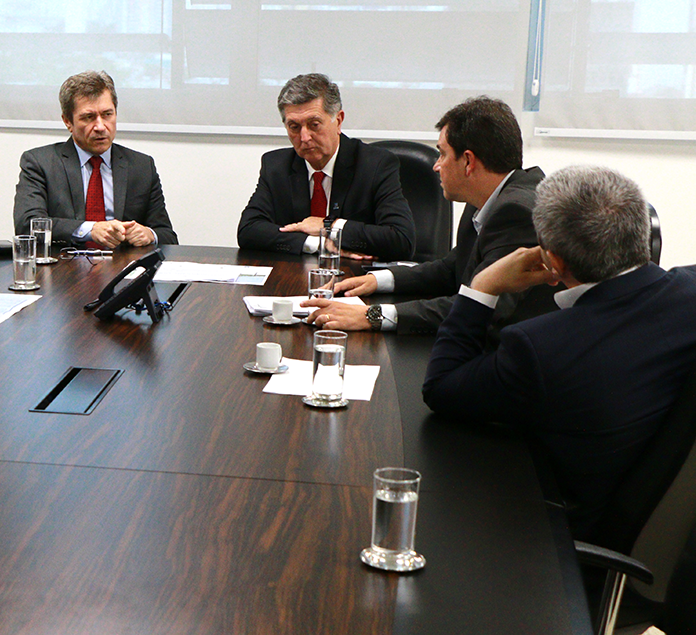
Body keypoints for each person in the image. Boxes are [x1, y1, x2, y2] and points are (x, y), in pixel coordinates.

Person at [421, 166, 696, 539]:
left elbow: (441, 386)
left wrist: (483, 285)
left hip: (567, 544)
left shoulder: (540, 348)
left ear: (554, 260)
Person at [306, 96, 558, 335]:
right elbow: (452, 269)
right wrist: (376, 280)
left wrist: (371, 316)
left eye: (443, 153)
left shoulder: (517, 212)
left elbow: (483, 307)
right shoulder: (488, 198)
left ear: (468, 162)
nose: (436, 165)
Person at [237, 73, 414, 261]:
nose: (304, 137)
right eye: (294, 127)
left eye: (314, 125)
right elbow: (248, 230)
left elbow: (401, 240)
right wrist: (320, 243)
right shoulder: (276, 166)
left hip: (356, 280)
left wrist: (329, 226)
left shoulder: (376, 165)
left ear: (338, 121)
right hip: (295, 278)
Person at [13, 70, 177, 248]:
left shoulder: (142, 166)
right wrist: (90, 230)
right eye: (88, 117)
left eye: (107, 114)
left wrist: (149, 234)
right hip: (65, 269)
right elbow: (27, 225)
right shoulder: (40, 163)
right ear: (68, 121)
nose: (100, 126)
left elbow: (167, 235)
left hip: (124, 269)